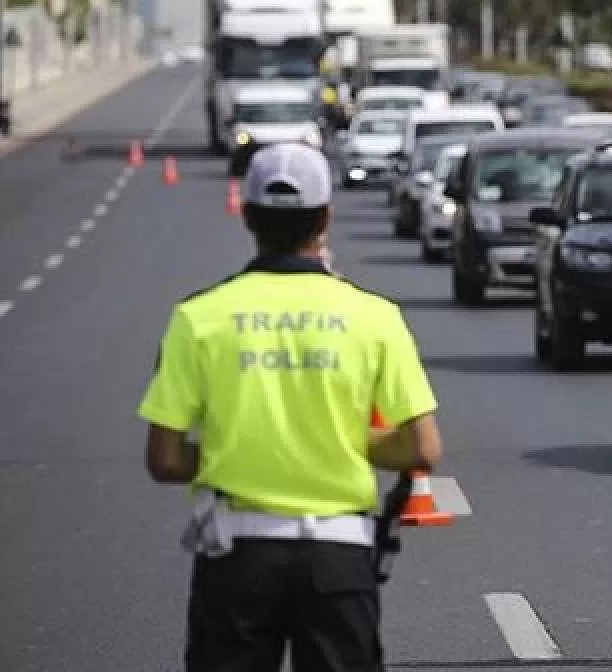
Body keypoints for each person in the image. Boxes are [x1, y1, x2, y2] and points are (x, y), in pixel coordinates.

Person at [138, 141, 443, 672]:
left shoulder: (198, 318)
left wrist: (232, 450)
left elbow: (163, 459)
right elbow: (423, 447)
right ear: (325, 218)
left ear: (248, 216)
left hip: (236, 554)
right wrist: (349, 443)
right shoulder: (375, 317)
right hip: (339, 557)